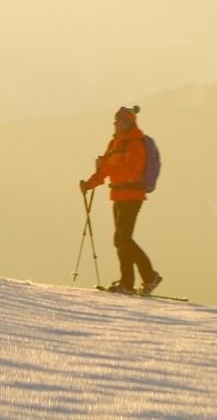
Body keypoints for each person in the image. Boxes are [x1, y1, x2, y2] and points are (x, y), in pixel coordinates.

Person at [80, 106, 162, 295]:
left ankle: (133, 281)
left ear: (128, 123)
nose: (115, 124)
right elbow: (105, 171)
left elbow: (131, 172)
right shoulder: (116, 143)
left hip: (132, 196)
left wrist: (105, 166)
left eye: (119, 121)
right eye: (115, 121)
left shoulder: (135, 144)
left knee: (121, 239)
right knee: (122, 240)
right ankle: (144, 278)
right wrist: (89, 184)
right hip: (119, 196)